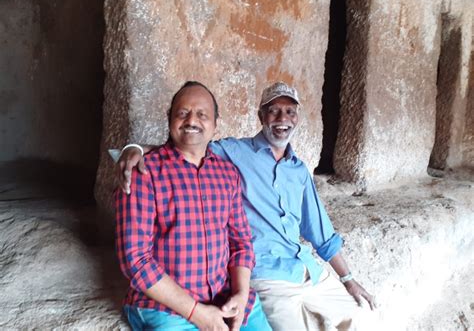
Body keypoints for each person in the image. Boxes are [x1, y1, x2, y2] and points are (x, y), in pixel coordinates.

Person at [117, 82, 376, 330]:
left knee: (362, 317)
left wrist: (348, 279)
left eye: (289, 112)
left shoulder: (289, 170)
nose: (281, 118)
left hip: (299, 270)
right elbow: (187, 145)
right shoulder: (233, 153)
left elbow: (317, 231)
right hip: (264, 277)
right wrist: (134, 148)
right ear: (261, 116)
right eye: (273, 110)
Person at [115, 81, 272, 331]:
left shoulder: (227, 174)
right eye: (182, 113)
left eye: (202, 114)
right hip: (166, 309)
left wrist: (241, 295)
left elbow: (241, 242)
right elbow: (135, 260)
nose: (191, 121)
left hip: (225, 300)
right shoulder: (144, 172)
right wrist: (195, 313)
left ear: (215, 124)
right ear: (169, 119)